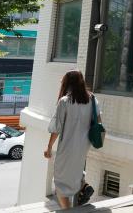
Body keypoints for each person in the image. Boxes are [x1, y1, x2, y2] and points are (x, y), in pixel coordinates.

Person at [44, 70, 100, 208]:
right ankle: (84, 186)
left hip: (67, 146)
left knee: (60, 183)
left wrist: (49, 147)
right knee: (75, 171)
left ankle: (67, 210)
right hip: (84, 145)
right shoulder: (92, 99)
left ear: (67, 83)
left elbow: (57, 128)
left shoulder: (65, 101)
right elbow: (98, 121)